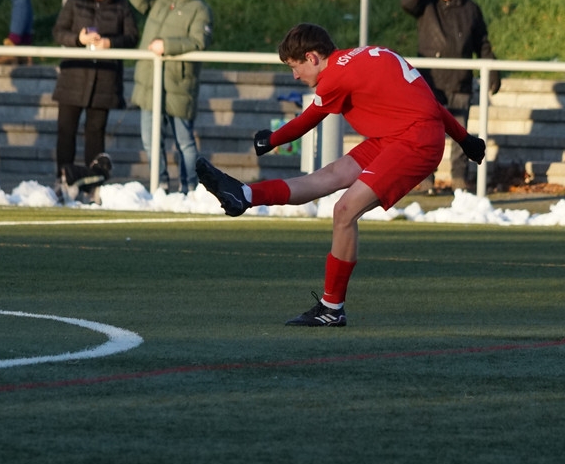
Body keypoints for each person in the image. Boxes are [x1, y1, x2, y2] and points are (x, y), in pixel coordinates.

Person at [196, 23, 487, 327]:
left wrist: (271, 140)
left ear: (311, 57)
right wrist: (464, 138)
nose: (295, 75)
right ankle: (244, 195)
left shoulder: (335, 77)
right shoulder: (364, 55)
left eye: (295, 67)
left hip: (415, 142)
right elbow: (429, 102)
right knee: (330, 175)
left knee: (344, 210)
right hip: (397, 135)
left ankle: (331, 308)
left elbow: (308, 119)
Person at [400, 0, 500, 192]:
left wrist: (493, 71)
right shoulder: (426, 4)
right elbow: (407, 2)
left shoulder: (470, 8)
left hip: (460, 81)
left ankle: (459, 180)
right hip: (430, 83)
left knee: (461, 133)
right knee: (428, 133)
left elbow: (482, 43)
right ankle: (426, 180)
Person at [51, 0, 138, 187]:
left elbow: (132, 36)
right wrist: (78, 39)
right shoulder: (75, 1)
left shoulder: (121, 5)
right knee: (66, 131)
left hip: (105, 80)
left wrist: (110, 43)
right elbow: (58, 32)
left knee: (95, 133)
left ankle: (93, 182)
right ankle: (63, 179)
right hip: (73, 77)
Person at [127, 0, 213, 193]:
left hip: (179, 84)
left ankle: (190, 187)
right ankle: (160, 185)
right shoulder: (161, 1)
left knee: (184, 141)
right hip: (150, 82)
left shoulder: (200, 9)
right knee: (150, 140)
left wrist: (167, 46)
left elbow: (199, 42)